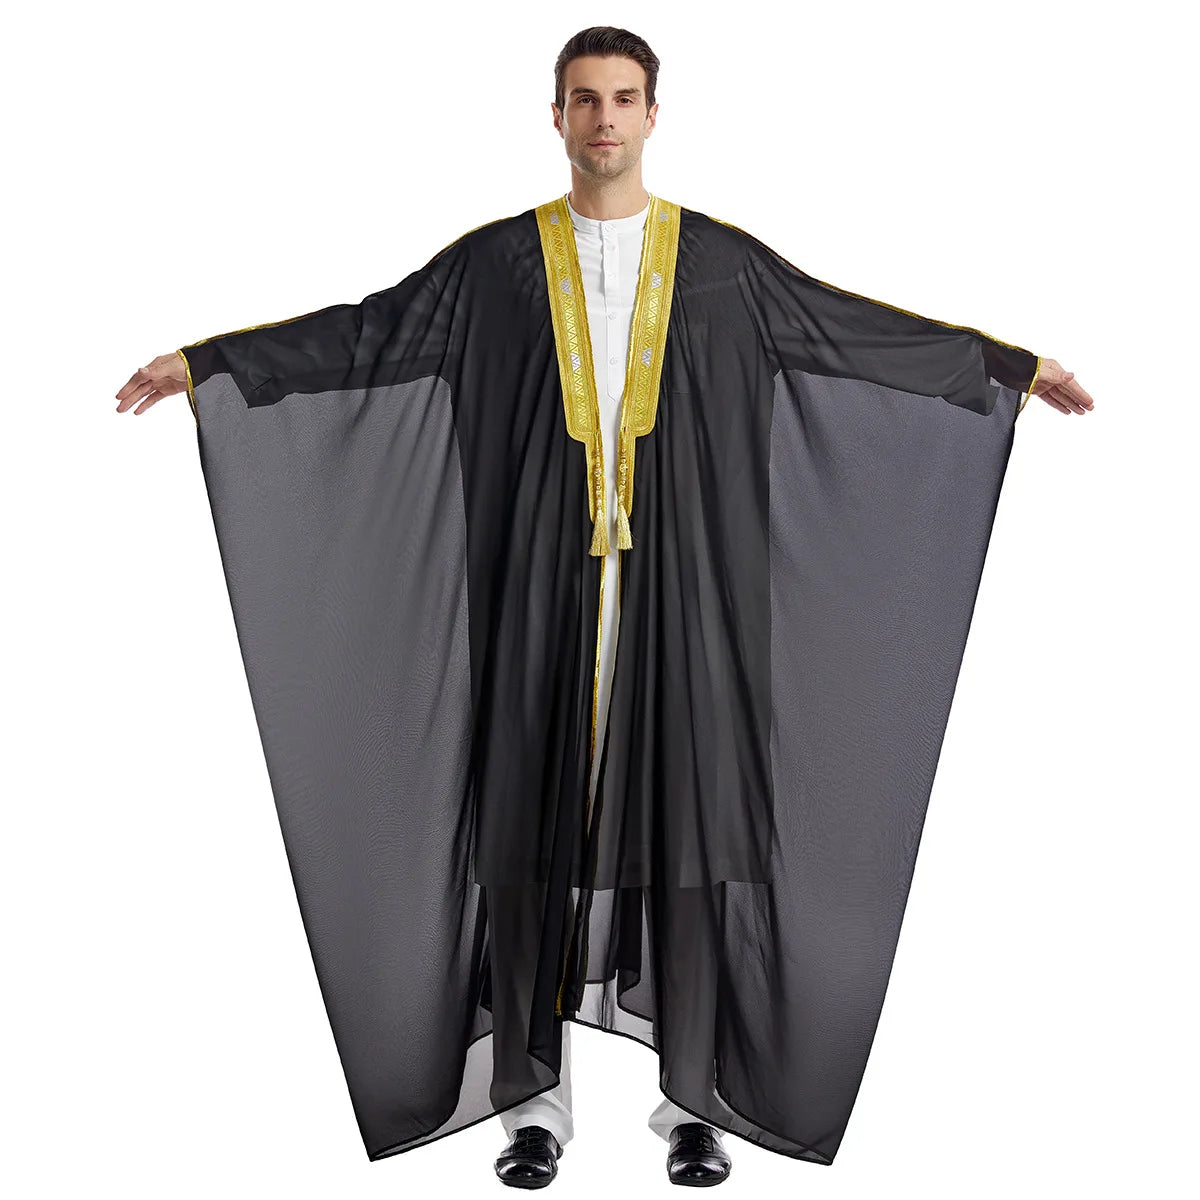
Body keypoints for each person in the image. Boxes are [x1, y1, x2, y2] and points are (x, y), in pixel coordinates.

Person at [114, 25, 1093, 1192]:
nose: (605, 121)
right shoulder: (495, 266)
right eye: (585, 100)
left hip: (689, 606)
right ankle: (531, 1109)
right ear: (557, 116)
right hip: (537, 601)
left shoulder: (722, 265)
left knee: (690, 840)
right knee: (525, 843)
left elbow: (847, 329)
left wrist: (1001, 368)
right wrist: (216, 365)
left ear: (653, 114)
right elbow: (370, 333)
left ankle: (694, 1106)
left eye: (625, 99)